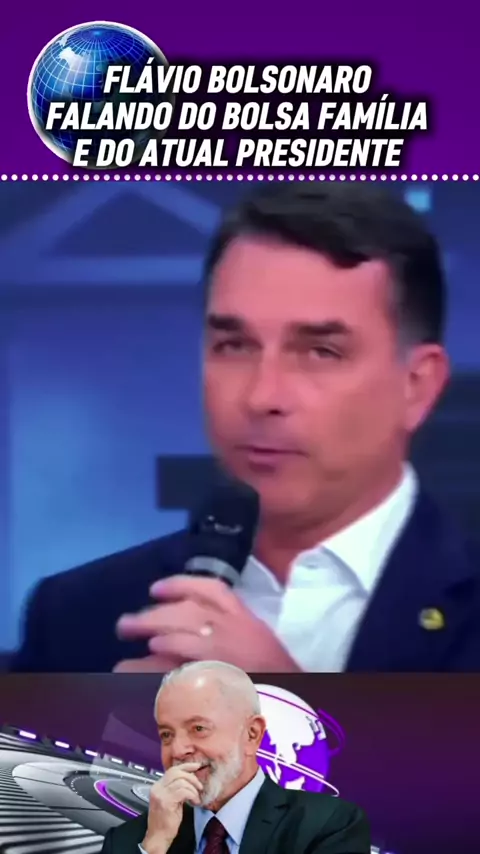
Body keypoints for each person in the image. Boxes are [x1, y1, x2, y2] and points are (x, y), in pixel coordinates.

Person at [10, 183, 480, 674]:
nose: (262, 397)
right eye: (234, 346)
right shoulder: (75, 617)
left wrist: (278, 706)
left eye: (321, 352)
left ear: (417, 386)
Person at [100, 661, 370, 854]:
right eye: (167, 734)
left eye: (198, 729)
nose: (178, 750)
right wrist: (155, 846)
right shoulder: (129, 841)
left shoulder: (330, 825)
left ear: (252, 735)